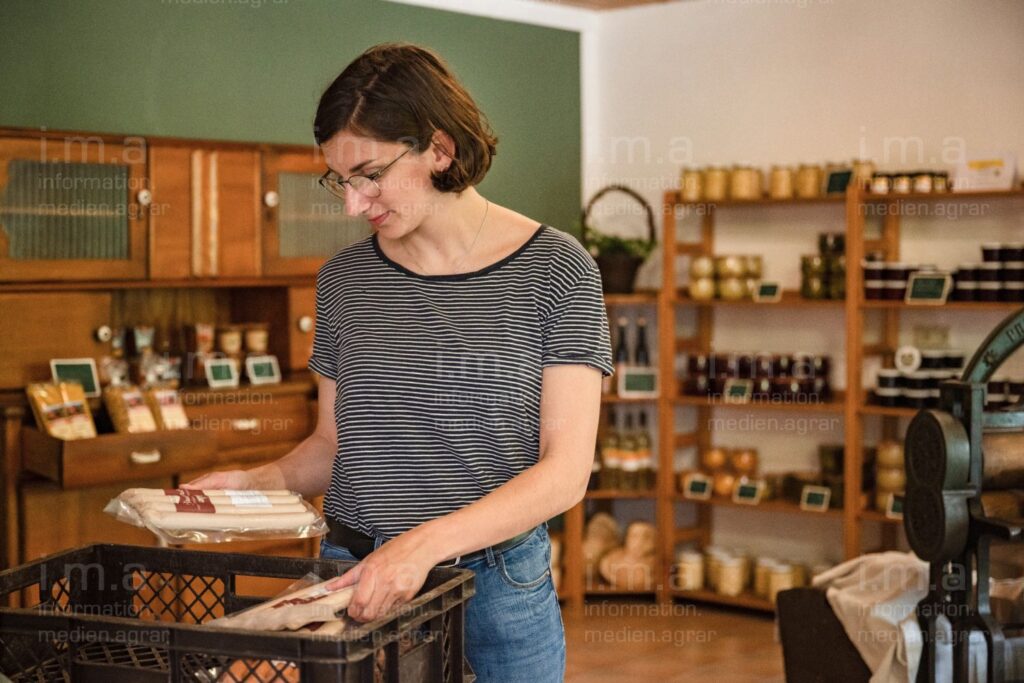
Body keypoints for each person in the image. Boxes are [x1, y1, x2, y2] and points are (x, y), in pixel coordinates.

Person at [186, 43, 612, 682]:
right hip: (354, 574)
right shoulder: (345, 280)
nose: (353, 204)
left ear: (439, 149)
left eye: (369, 174)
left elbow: (565, 473)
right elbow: (334, 444)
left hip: (496, 588)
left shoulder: (555, 268)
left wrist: (420, 547)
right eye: (340, 180)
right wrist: (255, 482)